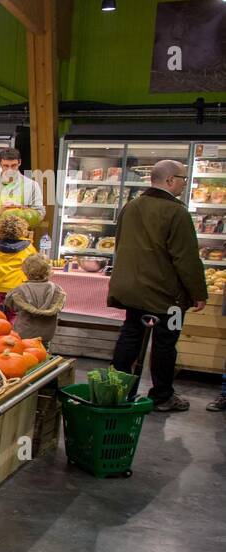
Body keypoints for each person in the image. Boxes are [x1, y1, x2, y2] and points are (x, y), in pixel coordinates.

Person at [108, 159, 208, 412]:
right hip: (168, 299)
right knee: (166, 342)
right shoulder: (177, 212)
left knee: (130, 335)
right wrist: (198, 292)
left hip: (132, 291)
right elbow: (185, 258)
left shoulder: (131, 206)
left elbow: (120, 245)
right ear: (170, 180)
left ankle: (118, 389)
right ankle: (162, 395)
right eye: (184, 179)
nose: (185, 185)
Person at [3, 253, 66, 346]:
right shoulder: (57, 289)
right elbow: (61, 305)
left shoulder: (19, 290)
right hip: (46, 333)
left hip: (24, 332)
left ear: (25, 271)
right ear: (49, 271)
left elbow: (10, 304)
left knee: (24, 353)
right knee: (42, 352)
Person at [0, 147, 43, 229]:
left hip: (21, 237)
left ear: (19, 162)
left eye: (13, 166)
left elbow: (40, 215)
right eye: (6, 166)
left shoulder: (32, 186)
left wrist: (21, 209)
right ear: (0, 164)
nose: (10, 170)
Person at [0, 214, 36, 316]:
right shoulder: (28, 247)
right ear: (22, 229)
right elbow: (33, 266)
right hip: (17, 287)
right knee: (15, 315)